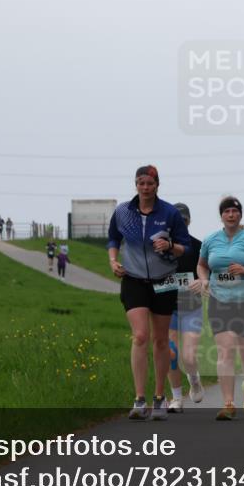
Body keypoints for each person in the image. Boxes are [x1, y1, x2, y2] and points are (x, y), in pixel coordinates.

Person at [107, 165, 190, 421]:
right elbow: (112, 239)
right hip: (133, 279)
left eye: (150, 184)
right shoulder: (123, 211)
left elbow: (185, 247)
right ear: (135, 184)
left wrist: (169, 245)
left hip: (163, 280)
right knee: (141, 336)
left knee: (161, 340)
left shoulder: (169, 213)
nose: (145, 188)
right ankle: (139, 399)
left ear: (157, 185)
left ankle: (159, 397)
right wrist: (112, 261)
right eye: (141, 183)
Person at [198, 196, 244, 420]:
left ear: (241, 215)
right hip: (220, 300)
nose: (231, 215)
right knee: (226, 350)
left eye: (235, 211)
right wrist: (203, 280)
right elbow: (202, 265)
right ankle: (228, 403)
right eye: (227, 211)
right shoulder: (211, 239)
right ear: (221, 216)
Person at [165, 203, 205, 413]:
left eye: (184, 219)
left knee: (188, 356)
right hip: (167, 307)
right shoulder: (162, 247)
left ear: (189, 221)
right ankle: (176, 398)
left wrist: (202, 281)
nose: (181, 223)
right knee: (171, 353)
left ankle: (194, 379)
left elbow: (206, 273)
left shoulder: (198, 246)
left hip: (191, 306)